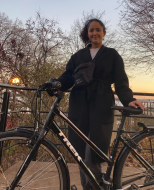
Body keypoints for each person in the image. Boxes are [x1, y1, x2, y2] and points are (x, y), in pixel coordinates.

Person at [56, 18, 145, 189]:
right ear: (87, 34)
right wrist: (57, 84)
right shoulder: (77, 56)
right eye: (91, 30)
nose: (94, 33)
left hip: (102, 104)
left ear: (104, 33)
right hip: (79, 104)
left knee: (94, 152)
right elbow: (68, 76)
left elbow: (121, 82)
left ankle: (96, 187)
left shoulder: (112, 55)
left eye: (98, 30)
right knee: (80, 153)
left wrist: (128, 99)